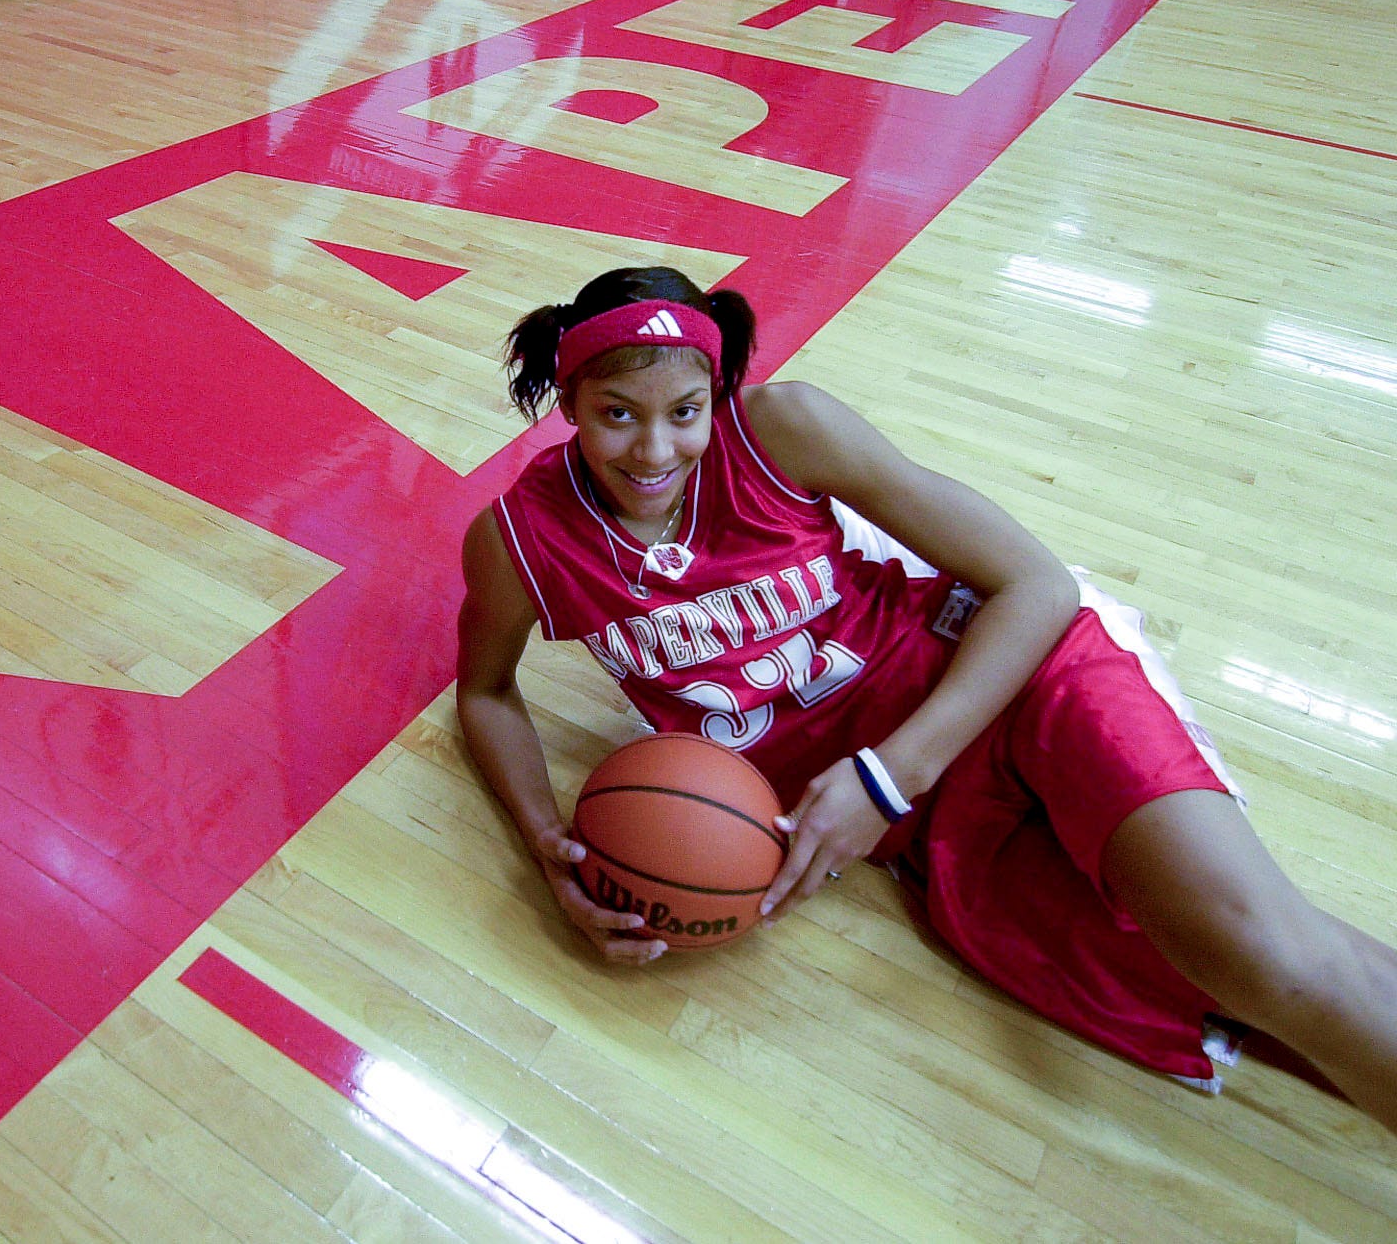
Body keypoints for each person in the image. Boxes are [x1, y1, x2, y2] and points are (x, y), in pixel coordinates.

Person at [455, 265, 1397, 1130]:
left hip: (1005, 680)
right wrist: (550, 849)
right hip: (907, 822)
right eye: (618, 413)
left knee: (1265, 956)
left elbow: (1036, 584)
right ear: (568, 403)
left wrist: (885, 775)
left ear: (716, 398)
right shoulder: (518, 543)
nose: (656, 447)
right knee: (1234, 978)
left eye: (686, 410)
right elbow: (489, 694)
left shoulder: (785, 429)